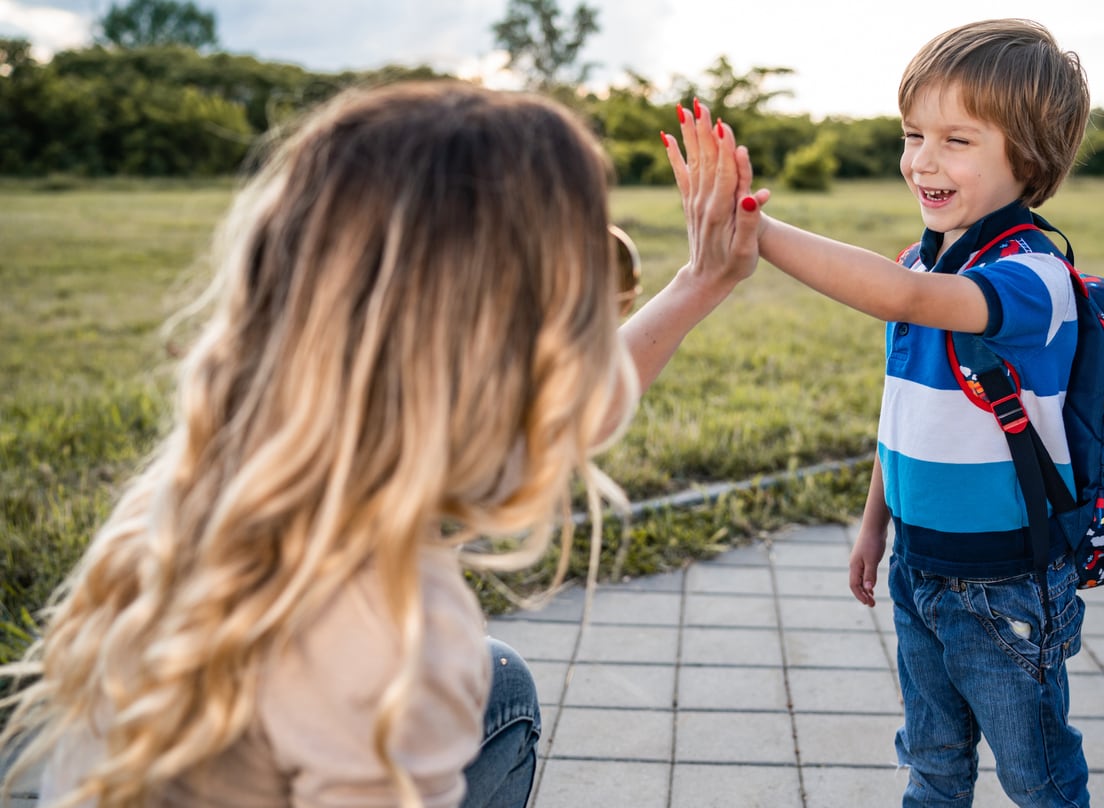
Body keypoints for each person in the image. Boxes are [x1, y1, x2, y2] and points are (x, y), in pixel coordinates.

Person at [0, 81, 760, 807]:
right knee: (498, 685)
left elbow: (557, 421)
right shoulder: (397, 633)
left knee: (501, 682)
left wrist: (700, 282)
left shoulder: (237, 468)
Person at [666, 18, 1092, 808]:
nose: (921, 160)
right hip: (918, 569)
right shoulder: (920, 259)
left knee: (1038, 776)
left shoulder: (1035, 279)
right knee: (930, 762)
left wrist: (754, 224)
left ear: (1028, 156)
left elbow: (901, 299)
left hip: (1004, 585)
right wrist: (875, 524)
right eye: (911, 134)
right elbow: (900, 415)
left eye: (956, 140)